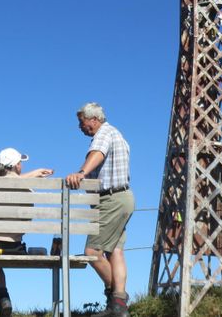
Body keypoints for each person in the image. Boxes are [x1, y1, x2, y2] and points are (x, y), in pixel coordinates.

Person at [0, 148, 53, 317]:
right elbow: (27, 221)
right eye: (20, 163)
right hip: (10, 245)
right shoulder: (27, 190)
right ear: (16, 166)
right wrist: (32, 176)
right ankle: (3, 296)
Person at [66, 102, 133, 317]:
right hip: (123, 197)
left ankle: (116, 299)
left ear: (94, 119)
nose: (80, 127)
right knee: (115, 251)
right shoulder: (117, 134)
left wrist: (81, 173)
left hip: (111, 199)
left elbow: (98, 153)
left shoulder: (103, 134)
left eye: (82, 122)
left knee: (92, 252)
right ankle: (118, 307)